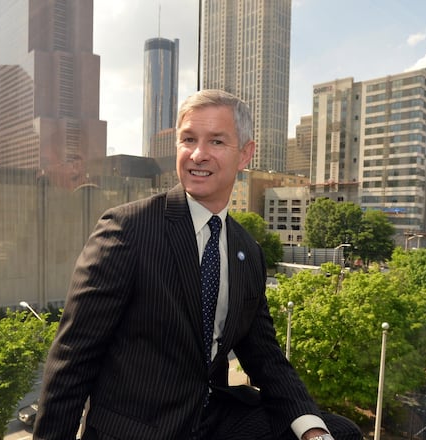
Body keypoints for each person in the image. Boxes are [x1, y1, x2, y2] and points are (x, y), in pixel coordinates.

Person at [33, 89, 363, 440]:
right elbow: (73, 358)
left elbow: (265, 356)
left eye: (217, 142)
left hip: (211, 419)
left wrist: (311, 428)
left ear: (245, 154)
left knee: (340, 432)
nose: (198, 155)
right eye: (188, 139)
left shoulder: (247, 251)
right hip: (138, 428)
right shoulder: (127, 229)